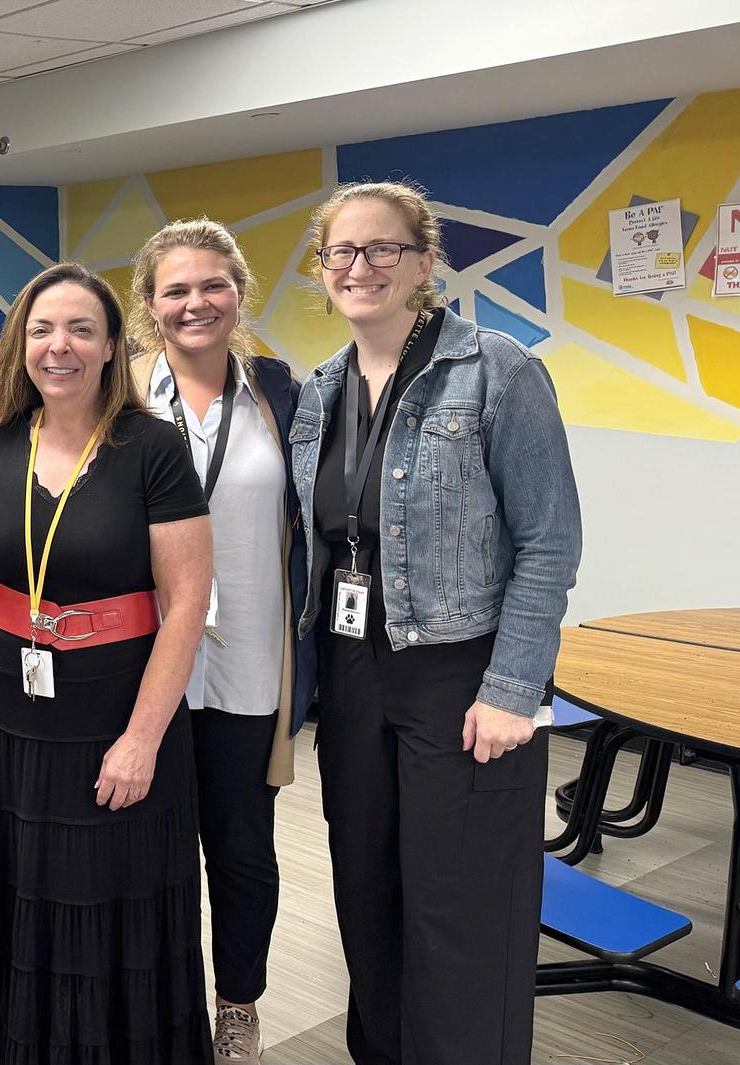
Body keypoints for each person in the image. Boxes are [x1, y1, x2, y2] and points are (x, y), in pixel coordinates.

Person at [292, 181, 580, 1065]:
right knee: (368, 890)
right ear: (322, 268)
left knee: (460, 904)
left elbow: (549, 542)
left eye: (383, 248)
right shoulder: (321, 389)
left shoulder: (498, 369)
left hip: (462, 673)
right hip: (351, 670)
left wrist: (513, 689)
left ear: (424, 262)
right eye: (342, 251)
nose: (361, 266)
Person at [0, 262, 215, 1064]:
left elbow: (186, 603)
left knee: (100, 907)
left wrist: (142, 739)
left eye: (81, 329)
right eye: (42, 329)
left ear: (112, 345)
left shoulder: (153, 448)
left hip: (114, 723)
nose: (59, 346)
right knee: (5, 897)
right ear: (21, 344)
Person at [127, 219, 315, 1063]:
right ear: (150, 303)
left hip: (247, 665)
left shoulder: (282, 395)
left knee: (241, 852)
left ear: (239, 293)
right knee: (145, 852)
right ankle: (156, 1011)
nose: (195, 302)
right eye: (176, 289)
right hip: (141, 667)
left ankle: (237, 1006)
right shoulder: (121, 394)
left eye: (213, 285)